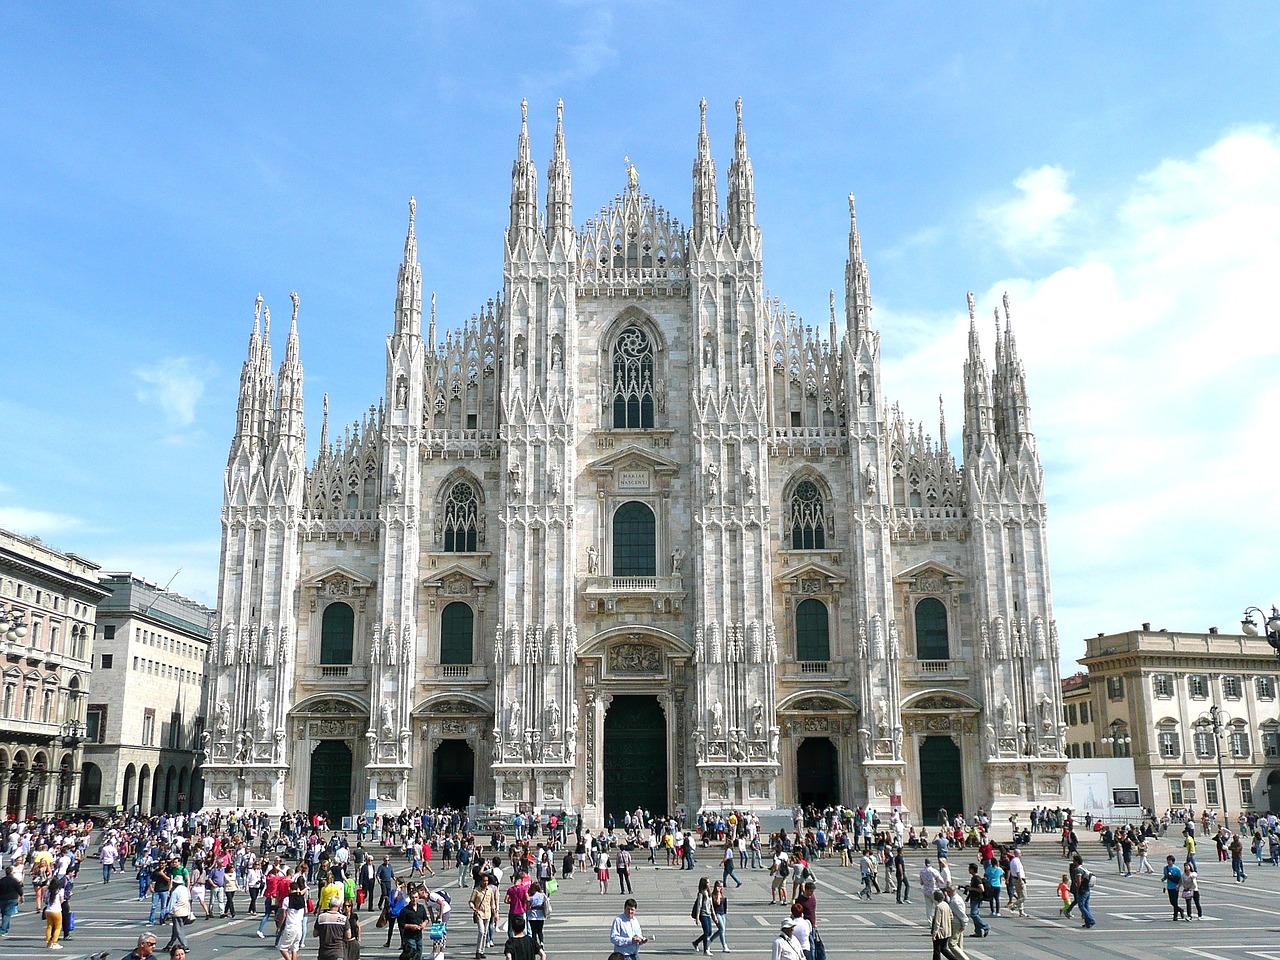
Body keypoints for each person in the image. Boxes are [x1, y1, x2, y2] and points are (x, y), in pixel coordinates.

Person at [469, 872, 499, 959]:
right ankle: (478, 951)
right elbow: (471, 901)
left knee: (485, 933)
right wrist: (474, 908)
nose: (485, 882)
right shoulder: (476, 890)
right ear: (481, 881)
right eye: (484, 881)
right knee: (481, 931)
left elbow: (492, 902)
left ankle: (482, 951)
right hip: (479, 913)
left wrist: (495, 912)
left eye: (487, 881)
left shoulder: (489, 890)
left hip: (488, 913)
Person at [279, 878, 311, 960]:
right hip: (299, 927)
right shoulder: (302, 899)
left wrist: (279, 926)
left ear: (289, 889)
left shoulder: (287, 899)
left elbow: (283, 915)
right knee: (295, 949)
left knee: (282, 947)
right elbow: (306, 911)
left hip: (290, 926)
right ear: (297, 889)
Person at [163, 876, 193, 952]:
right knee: (175, 930)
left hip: (177, 912)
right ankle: (169, 945)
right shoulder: (186, 889)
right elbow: (190, 899)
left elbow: (171, 903)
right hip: (185, 911)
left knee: (179, 929)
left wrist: (167, 913)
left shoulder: (176, 891)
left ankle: (185, 945)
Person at [398, 887, 429, 960]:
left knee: (419, 956)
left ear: (418, 898)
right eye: (412, 897)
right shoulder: (405, 910)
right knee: (412, 956)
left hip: (419, 936)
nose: (414, 899)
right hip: (409, 937)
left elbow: (426, 919)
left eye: (416, 897)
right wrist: (411, 926)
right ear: (410, 898)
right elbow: (401, 924)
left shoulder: (421, 908)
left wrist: (424, 923)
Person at [929, 890, 961, 960]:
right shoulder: (946, 904)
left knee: (937, 950)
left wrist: (934, 934)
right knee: (943, 949)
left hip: (940, 932)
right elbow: (951, 916)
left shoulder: (938, 907)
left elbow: (937, 922)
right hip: (947, 930)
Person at [691, 877, 714, 955]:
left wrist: (713, 914)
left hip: (708, 914)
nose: (709, 884)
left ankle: (696, 942)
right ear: (704, 883)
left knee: (709, 932)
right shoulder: (701, 893)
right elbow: (699, 905)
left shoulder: (708, 892)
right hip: (702, 914)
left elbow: (711, 905)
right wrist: (697, 917)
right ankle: (706, 950)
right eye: (707, 882)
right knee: (706, 932)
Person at [1, 864, 24, 936]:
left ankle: (6, 929)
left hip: (2, 899)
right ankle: (3, 930)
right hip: (12, 898)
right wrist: (21, 896)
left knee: (4, 914)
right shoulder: (14, 881)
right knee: (7, 915)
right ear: (11, 872)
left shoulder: (1, 880)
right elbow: (19, 889)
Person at [708, 879, 730, 953]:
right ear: (716, 887)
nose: (721, 888)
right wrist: (717, 893)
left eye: (722, 886)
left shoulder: (722, 893)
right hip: (716, 914)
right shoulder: (713, 894)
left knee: (722, 930)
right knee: (722, 929)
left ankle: (710, 941)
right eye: (719, 886)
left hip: (722, 913)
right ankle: (724, 946)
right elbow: (717, 903)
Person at [1162, 855, 1185, 921]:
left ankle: (1175, 915)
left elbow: (1180, 878)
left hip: (1175, 887)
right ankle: (1180, 910)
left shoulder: (1177, 869)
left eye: (1170, 860)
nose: (1168, 862)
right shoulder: (1165, 868)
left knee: (1175, 901)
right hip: (1169, 887)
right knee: (1172, 901)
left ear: (1173, 861)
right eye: (1168, 860)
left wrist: (1178, 885)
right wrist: (1163, 879)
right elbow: (1166, 876)